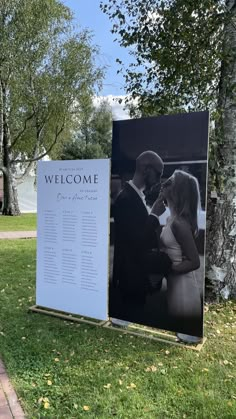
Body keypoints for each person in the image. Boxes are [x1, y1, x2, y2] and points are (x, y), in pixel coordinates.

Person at [110, 151, 172, 323]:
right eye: (158, 174)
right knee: (132, 313)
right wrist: (153, 216)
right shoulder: (126, 199)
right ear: (146, 169)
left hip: (137, 273)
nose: (159, 180)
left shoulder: (136, 196)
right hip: (131, 276)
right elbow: (136, 242)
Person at [153, 170, 203, 340]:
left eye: (168, 183)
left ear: (177, 190)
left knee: (185, 332)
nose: (162, 184)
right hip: (173, 284)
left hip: (184, 288)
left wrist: (167, 269)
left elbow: (195, 262)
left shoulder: (180, 224)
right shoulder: (170, 220)